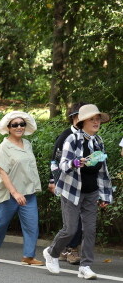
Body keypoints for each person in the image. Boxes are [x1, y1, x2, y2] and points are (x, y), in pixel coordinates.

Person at [43, 104, 112, 280]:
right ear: (82, 122)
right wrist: (75, 163)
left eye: (98, 119)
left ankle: (85, 265)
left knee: (89, 230)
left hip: (91, 192)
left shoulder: (98, 141)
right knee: (71, 229)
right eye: (92, 119)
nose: (96, 122)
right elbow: (62, 164)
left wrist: (105, 195)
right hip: (72, 190)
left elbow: (103, 171)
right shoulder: (71, 139)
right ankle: (52, 253)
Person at [0, 111, 43, 266]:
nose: (19, 127)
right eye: (15, 125)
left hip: (27, 191)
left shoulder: (27, 144)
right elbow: (1, 171)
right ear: (8, 128)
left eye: (22, 124)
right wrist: (15, 193)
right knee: (0, 222)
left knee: (32, 224)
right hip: (9, 192)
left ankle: (28, 256)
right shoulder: (4, 147)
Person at [48, 102, 87, 265]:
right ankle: (68, 249)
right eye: (81, 116)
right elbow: (55, 161)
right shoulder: (65, 136)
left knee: (81, 220)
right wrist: (53, 181)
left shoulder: (89, 137)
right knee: (72, 221)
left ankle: (68, 247)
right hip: (67, 184)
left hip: (85, 184)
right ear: (73, 118)